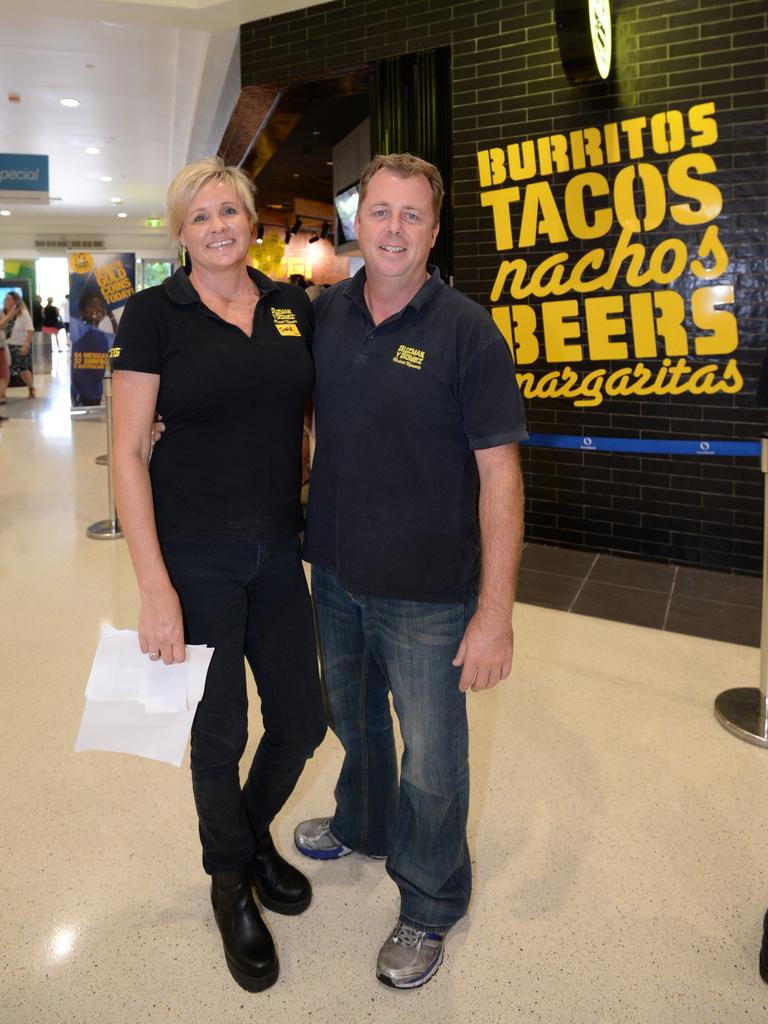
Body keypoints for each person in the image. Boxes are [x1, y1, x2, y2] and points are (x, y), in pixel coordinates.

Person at [294, 154, 528, 989]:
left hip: (430, 592)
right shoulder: (326, 316)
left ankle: (430, 902)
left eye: (412, 215)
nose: (393, 229)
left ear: (434, 229)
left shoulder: (467, 330)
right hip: (337, 572)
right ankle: (361, 822)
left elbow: (501, 475)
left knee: (431, 760)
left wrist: (494, 611)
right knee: (353, 722)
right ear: (358, 223)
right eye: (380, 212)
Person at [111, 156, 326, 993]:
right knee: (220, 733)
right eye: (199, 217)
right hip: (194, 555)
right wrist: (153, 586)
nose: (218, 226)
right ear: (182, 234)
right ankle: (229, 879)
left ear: (253, 221)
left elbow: (305, 414)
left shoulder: (290, 305)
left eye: (229, 211)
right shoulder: (152, 315)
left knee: (303, 720)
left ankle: (247, 830)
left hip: (277, 547)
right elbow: (129, 451)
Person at [2, 292, 35, 398]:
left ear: (16, 300)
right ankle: (2, 394)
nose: (7, 301)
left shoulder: (23, 313)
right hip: (7, 345)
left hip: (19, 345)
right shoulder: (4, 313)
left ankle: (31, 388)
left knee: (22, 370)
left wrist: (26, 344)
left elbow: (30, 330)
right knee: (5, 371)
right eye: (6, 299)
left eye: (9, 299)